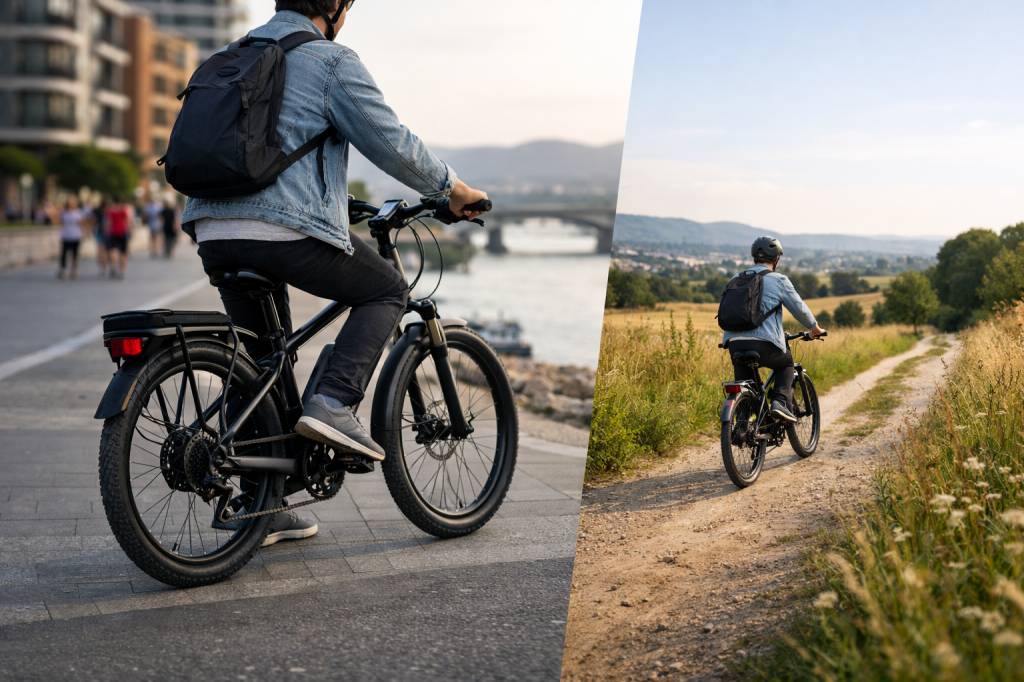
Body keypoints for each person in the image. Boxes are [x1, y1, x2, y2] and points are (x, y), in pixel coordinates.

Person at [182, 0, 489, 545]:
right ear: (338, 9)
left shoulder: (229, 57)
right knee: (386, 288)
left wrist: (334, 201)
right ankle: (333, 401)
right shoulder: (329, 61)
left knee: (263, 359)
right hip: (280, 232)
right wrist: (452, 189)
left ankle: (261, 502)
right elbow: (390, 140)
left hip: (212, 229)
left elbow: (268, 152)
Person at [722, 237, 826, 422]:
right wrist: (814, 328)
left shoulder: (736, 279)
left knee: (747, 385)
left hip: (734, 343)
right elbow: (799, 308)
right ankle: (780, 402)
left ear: (754, 257)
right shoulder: (778, 280)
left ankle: (742, 423)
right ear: (776, 259)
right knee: (785, 364)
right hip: (765, 344)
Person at [57, 197, 87, 279]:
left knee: (75, 254)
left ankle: (73, 270)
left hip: (76, 236)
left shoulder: (78, 213)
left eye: (72, 203)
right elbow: (60, 222)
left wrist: (83, 233)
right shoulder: (63, 213)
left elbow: (81, 224)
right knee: (64, 253)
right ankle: (63, 269)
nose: (71, 205)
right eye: (69, 203)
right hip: (66, 236)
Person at [104, 199, 133, 279]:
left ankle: (113, 267)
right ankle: (122, 271)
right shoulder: (123, 210)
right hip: (122, 233)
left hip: (113, 233)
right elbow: (127, 221)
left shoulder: (110, 211)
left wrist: (107, 231)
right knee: (123, 253)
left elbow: (108, 223)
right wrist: (129, 231)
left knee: (113, 251)